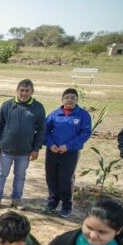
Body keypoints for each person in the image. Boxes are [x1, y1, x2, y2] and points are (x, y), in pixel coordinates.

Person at [0, 79, 45, 210]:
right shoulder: (7, 105)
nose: (24, 93)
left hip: (25, 151)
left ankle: (16, 199)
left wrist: (36, 149)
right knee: (1, 174)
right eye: (22, 90)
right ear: (17, 91)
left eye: (27, 91)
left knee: (20, 176)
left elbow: (41, 130)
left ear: (32, 91)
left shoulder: (38, 108)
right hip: (6, 149)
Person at [44, 88, 92, 218]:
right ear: (62, 99)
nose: (69, 100)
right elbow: (45, 131)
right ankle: (52, 203)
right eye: (66, 97)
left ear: (77, 100)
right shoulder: (54, 114)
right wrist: (50, 144)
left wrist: (69, 146)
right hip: (53, 151)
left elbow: (85, 133)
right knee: (51, 177)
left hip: (70, 152)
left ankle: (66, 206)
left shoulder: (82, 115)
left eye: (72, 98)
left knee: (66, 179)